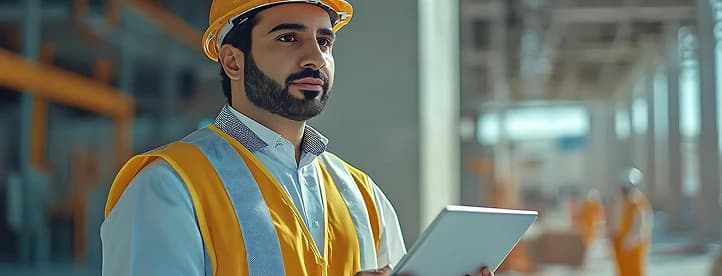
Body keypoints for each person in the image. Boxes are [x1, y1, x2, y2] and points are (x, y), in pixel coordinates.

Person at [101, 1, 493, 275]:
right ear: (232, 60)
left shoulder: (363, 196)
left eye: (325, 42)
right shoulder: (167, 186)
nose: (316, 58)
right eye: (289, 38)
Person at [610, 168, 653, 276]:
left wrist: (629, 241)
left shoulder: (638, 203)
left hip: (633, 246)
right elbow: (616, 223)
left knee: (635, 271)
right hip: (621, 244)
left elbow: (641, 227)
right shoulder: (622, 202)